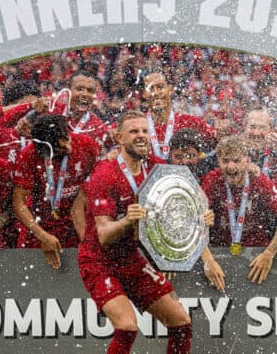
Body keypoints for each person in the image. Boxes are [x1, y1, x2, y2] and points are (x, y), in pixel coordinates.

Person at [79, 110, 192, 353]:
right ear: (119, 138)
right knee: (127, 327)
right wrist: (128, 220)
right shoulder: (105, 175)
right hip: (100, 261)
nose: (141, 136)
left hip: (133, 259)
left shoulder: (157, 168)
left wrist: (200, 215)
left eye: (144, 131)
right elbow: (105, 234)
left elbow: (181, 202)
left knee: (181, 323)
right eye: (134, 132)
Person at [201, 136, 277, 284]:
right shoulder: (212, 179)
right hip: (220, 254)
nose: (231, 167)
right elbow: (195, 220)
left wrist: (269, 254)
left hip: (256, 255)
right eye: (225, 161)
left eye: (236, 160)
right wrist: (208, 261)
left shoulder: (259, 180)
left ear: (247, 160)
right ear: (218, 161)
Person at [13, 114, 98, 268]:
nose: (69, 148)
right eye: (60, 148)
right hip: (40, 230)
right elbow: (19, 203)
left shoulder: (87, 145)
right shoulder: (29, 155)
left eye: (67, 139)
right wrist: (42, 235)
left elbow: (94, 190)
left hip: (75, 228)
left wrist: (87, 235)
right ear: (44, 149)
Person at [167, 128, 224, 290]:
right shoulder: (163, 173)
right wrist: (208, 260)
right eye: (178, 156)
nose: (184, 161)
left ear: (199, 155)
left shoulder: (209, 169)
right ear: (170, 156)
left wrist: (252, 168)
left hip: (211, 243)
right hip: (177, 247)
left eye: (190, 156)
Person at [141, 70, 216, 159]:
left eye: (160, 87)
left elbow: (220, 144)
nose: (156, 93)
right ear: (144, 94)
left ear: (170, 90)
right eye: (150, 89)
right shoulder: (137, 125)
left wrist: (203, 160)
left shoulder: (191, 122)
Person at [52, 70, 110, 154]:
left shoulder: (99, 127)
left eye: (90, 90)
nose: (85, 94)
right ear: (68, 90)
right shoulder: (53, 111)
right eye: (80, 89)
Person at [244, 108, 277, 178]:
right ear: (244, 128)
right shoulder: (234, 154)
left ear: (271, 130)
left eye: (262, 128)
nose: (256, 133)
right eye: (252, 127)